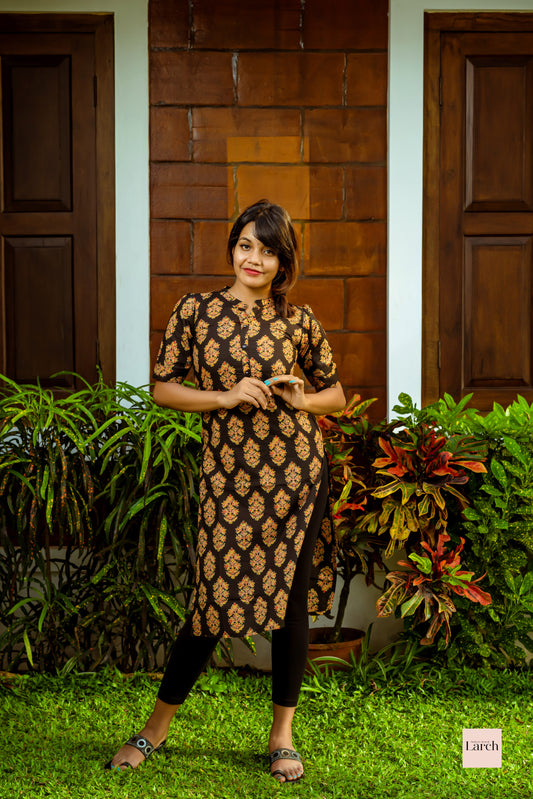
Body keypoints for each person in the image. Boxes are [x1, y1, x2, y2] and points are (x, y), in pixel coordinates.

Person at [105, 199, 346, 783]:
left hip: (297, 474)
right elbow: (163, 388)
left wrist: (301, 400)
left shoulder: (298, 320)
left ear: (283, 261)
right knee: (210, 600)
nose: (253, 259)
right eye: (245, 245)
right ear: (232, 248)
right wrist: (225, 396)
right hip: (229, 478)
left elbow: (336, 396)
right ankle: (155, 728)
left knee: (290, 604)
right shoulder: (196, 310)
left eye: (268, 250)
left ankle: (282, 736)